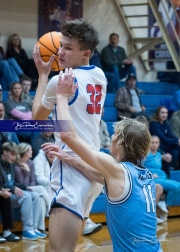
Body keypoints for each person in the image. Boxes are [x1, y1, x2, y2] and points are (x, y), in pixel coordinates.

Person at [42, 70, 163, 252]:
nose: (111, 138)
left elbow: (67, 135)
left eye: (114, 136)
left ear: (120, 143)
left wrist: (61, 96)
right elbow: (99, 176)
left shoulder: (116, 169)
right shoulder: (141, 173)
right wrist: (69, 158)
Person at [32, 19, 107, 252]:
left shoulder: (60, 81)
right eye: (60, 45)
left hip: (71, 170)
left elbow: (37, 120)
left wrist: (43, 76)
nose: (60, 52)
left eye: (67, 48)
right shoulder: (99, 75)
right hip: (93, 167)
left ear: (86, 54)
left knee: (58, 250)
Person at [0, 142, 45, 240]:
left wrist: (24, 187)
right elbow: (3, 185)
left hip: (10, 192)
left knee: (35, 195)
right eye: (12, 154)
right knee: (27, 196)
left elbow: (12, 182)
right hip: (3, 193)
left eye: (16, 155)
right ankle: (27, 230)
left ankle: (34, 228)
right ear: (4, 152)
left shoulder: (10, 163)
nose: (14, 157)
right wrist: (13, 188)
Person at [14, 143, 48, 235]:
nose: (32, 152)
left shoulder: (31, 162)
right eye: (30, 150)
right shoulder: (16, 164)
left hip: (29, 188)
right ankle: (51, 207)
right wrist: (27, 171)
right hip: (21, 189)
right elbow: (22, 184)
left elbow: (33, 180)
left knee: (39, 197)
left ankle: (35, 228)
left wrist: (30, 187)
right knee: (40, 188)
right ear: (25, 152)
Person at [144, 135, 180, 219]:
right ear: (148, 144)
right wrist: (149, 175)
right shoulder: (144, 155)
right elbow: (139, 168)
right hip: (153, 179)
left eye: (156, 143)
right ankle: (166, 205)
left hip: (162, 177)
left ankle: (164, 203)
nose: (154, 145)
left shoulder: (159, 154)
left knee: (179, 185)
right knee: (174, 187)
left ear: (159, 144)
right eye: (152, 143)